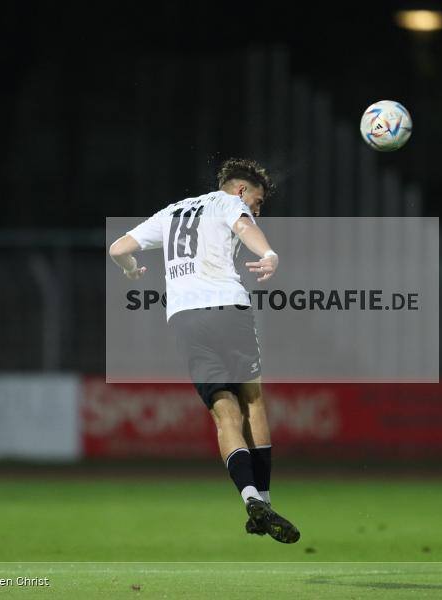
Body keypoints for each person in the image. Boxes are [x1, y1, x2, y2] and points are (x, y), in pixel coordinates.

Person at [108, 158, 300, 544]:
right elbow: (244, 226)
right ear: (241, 190)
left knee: (223, 413)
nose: (257, 209)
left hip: (184, 318)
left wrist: (129, 269)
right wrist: (269, 253)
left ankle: (249, 499)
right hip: (228, 307)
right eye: (258, 201)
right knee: (252, 401)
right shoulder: (229, 202)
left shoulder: (172, 211)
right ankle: (264, 497)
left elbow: (118, 248)